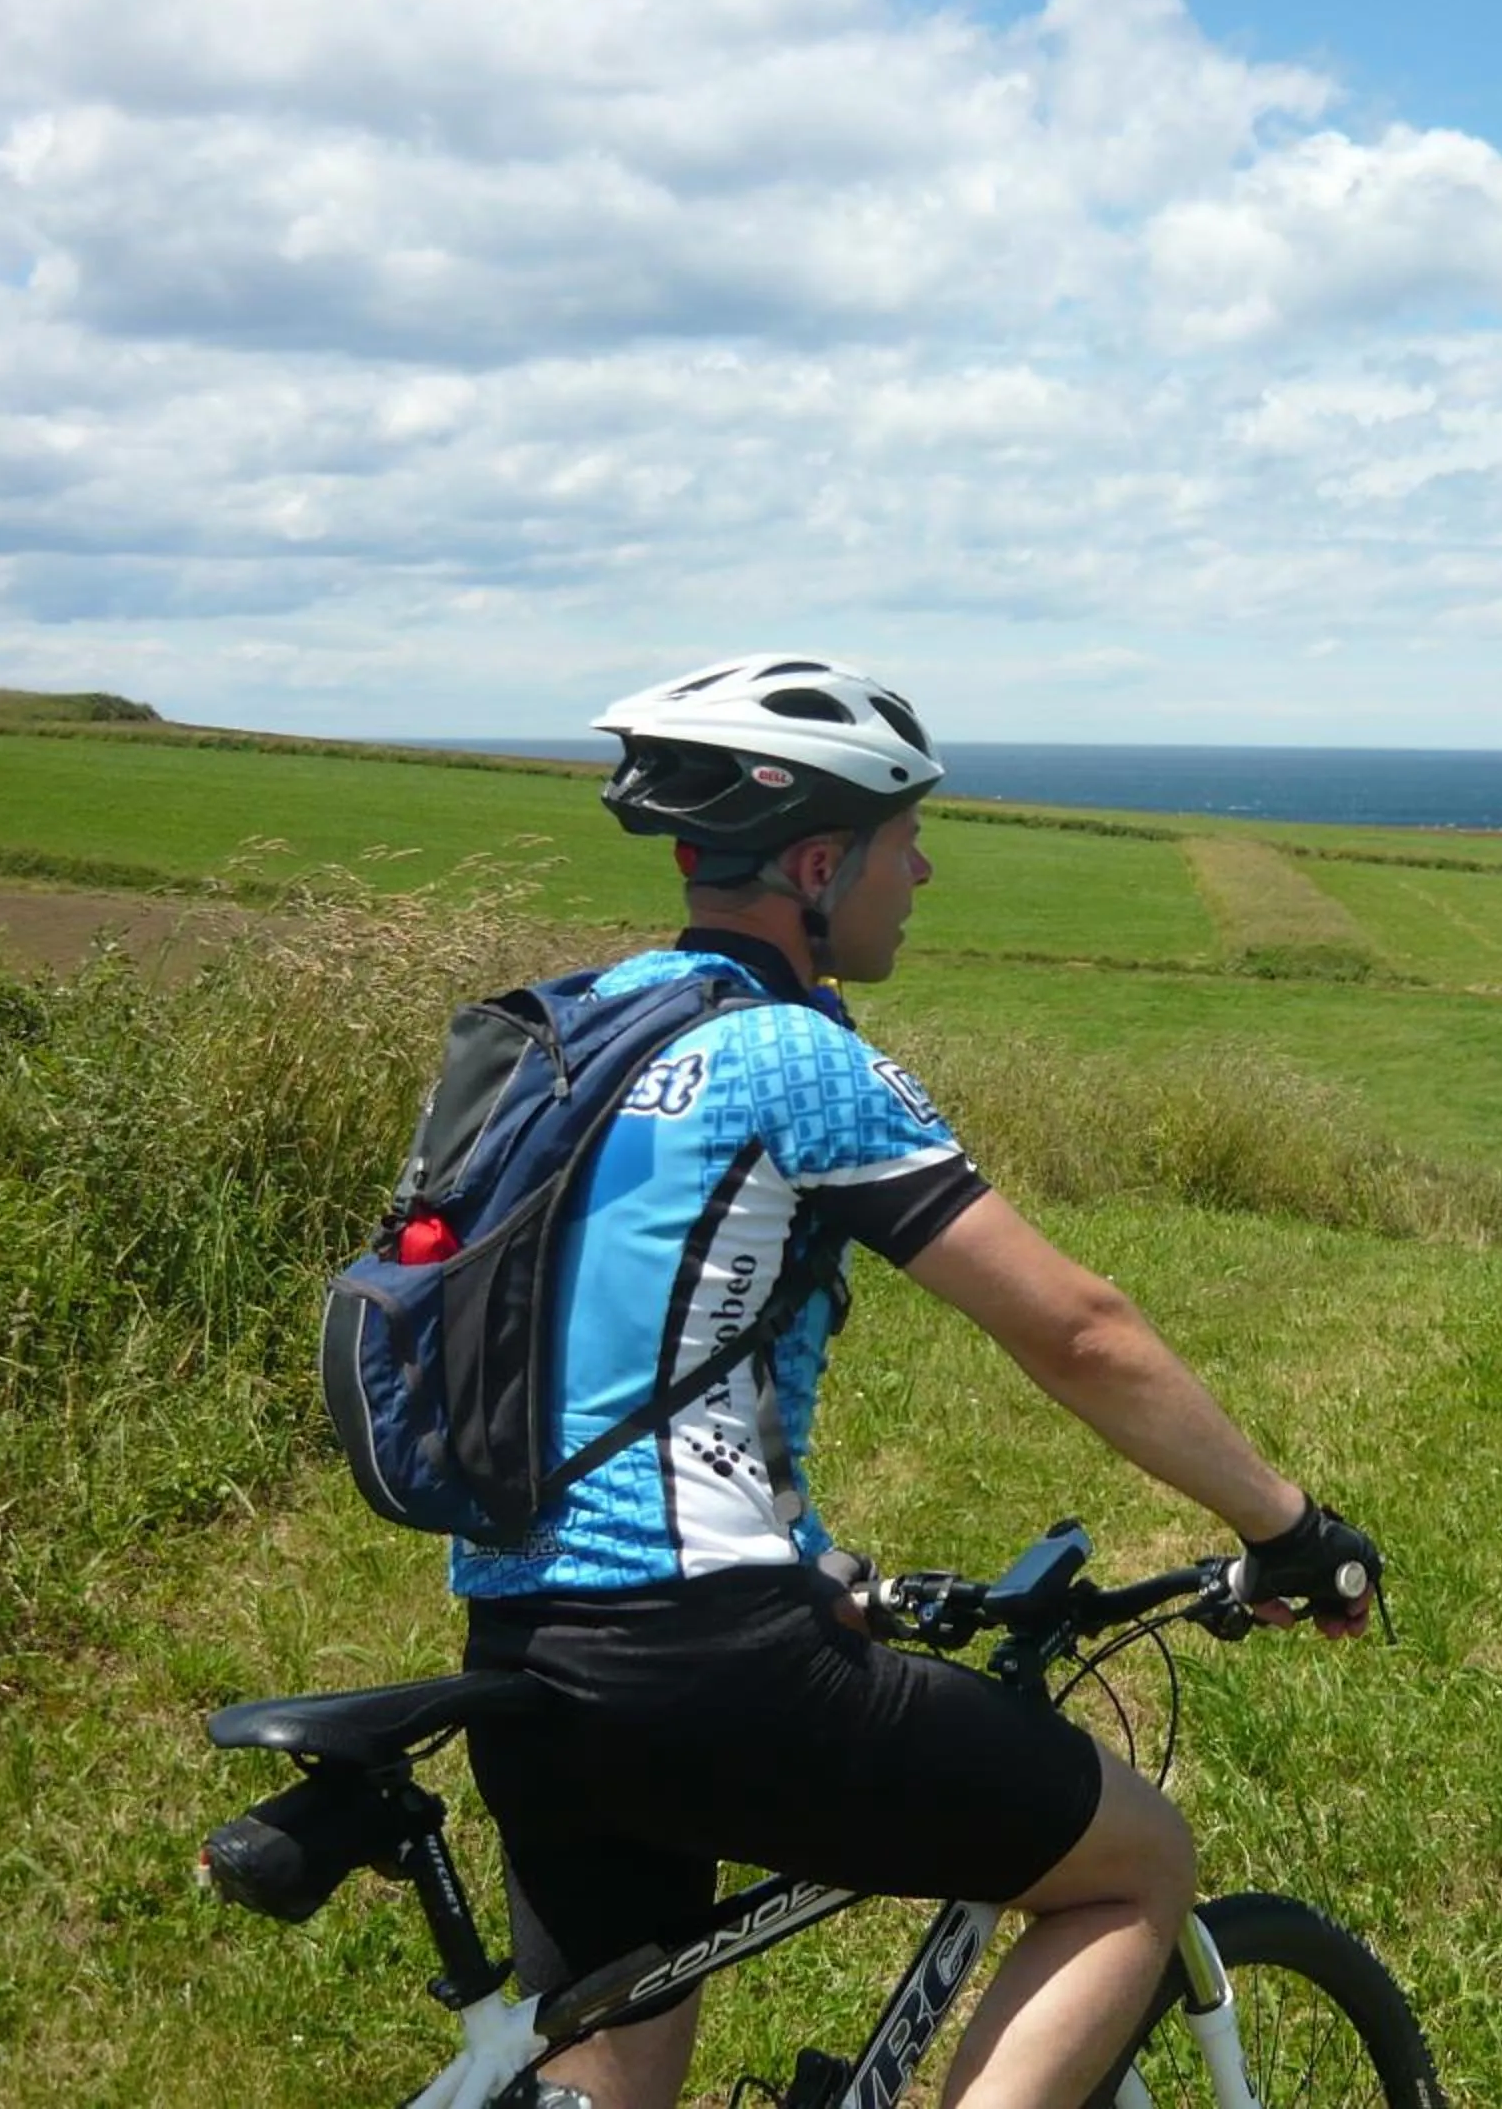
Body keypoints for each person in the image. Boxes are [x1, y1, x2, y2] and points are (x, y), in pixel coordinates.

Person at [452, 654, 1381, 2109]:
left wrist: (816, 1558)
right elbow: (1078, 1328)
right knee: (1137, 1865)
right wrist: (1289, 1522)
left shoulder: (573, 1039)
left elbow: (639, 1356)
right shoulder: (790, 1056)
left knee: (617, 2046)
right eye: (906, 841)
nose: (924, 871)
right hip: (705, 1655)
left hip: (522, 1644)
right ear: (820, 864)